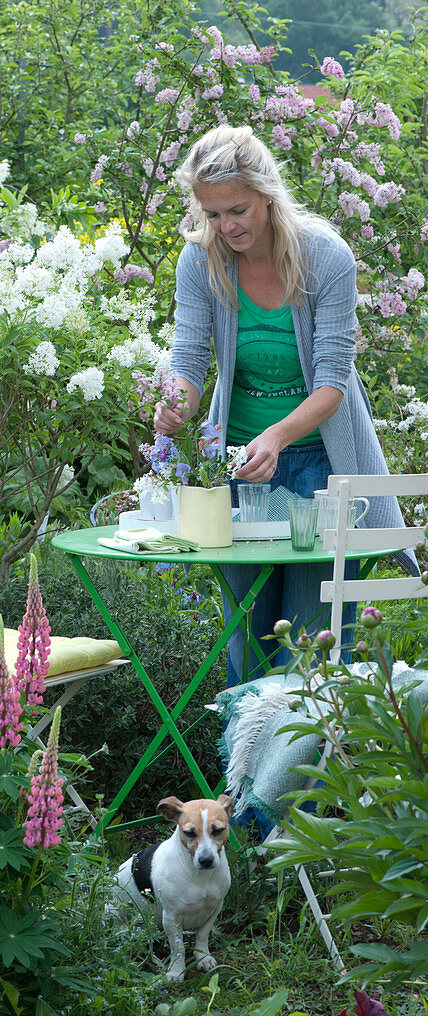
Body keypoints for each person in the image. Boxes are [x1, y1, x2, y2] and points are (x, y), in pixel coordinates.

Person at [154, 124, 412, 683]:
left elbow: (333, 384)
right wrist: (176, 402)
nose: (226, 226)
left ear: (268, 193)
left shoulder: (326, 256)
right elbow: (191, 357)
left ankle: (310, 772)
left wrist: (276, 436)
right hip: (240, 469)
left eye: (238, 209)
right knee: (246, 649)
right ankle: (242, 770)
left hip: (322, 468)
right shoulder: (201, 261)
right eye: (213, 214)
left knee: (311, 646)